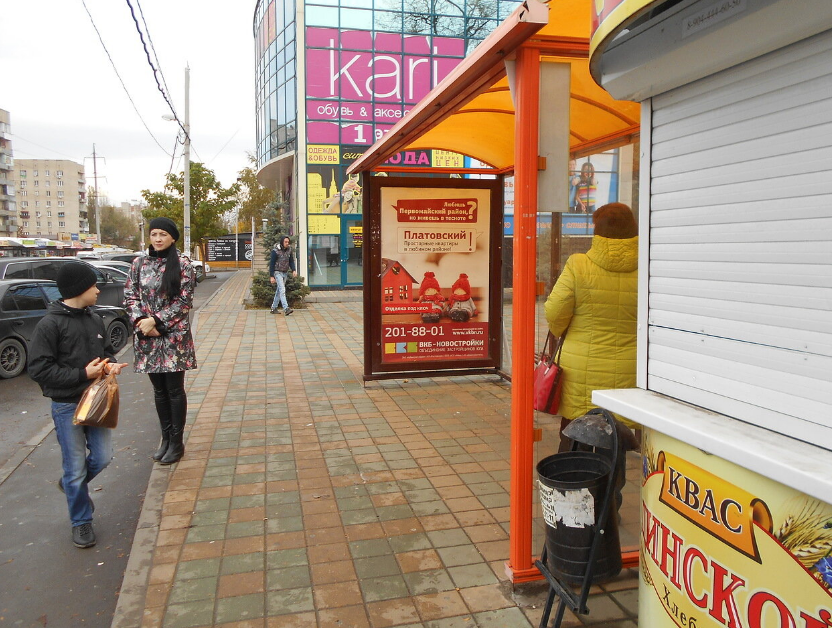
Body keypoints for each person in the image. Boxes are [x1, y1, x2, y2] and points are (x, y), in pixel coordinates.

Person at [28, 262, 128, 548]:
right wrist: (83, 374)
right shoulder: (50, 325)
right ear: (78, 289)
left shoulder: (94, 318)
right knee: (75, 468)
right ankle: (81, 522)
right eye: (93, 285)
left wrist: (110, 366)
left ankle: (72, 486)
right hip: (67, 406)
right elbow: (39, 370)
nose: (98, 290)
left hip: (96, 401)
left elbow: (105, 352)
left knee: (103, 457)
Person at [544, 203, 638, 450]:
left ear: (597, 231)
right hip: (631, 366)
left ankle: (574, 483)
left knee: (575, 436)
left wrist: (562, 329)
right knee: (618, 438)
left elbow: (555, 312)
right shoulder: (648, 266)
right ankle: (611, 485)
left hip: (579, 368)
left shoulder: (578, 265)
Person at [124, 217, 197, 465]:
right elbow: (130, 296)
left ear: (172, 238)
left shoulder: (184, 265)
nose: (157, 239)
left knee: (174, 390)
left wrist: (156, 320)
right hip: (147, 338)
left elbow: (184, 302)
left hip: (174, 338)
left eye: (163, 235)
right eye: (154, 234)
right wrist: (141, 322)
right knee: (158, 391)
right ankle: (165, 438)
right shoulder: (138, 264)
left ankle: (176, 442)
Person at [269, 235, 297, 316]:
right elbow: (272, 264)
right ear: (282, 242)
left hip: (285, 272)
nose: (287, 243)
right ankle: (286, 308)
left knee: (279, 291)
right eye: (285, 242)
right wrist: (271, 276)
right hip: (277, 272)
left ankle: (273, 308)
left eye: (288, 242)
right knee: (282, 290)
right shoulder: (275, 251)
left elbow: (291, 261)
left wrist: (293, 270)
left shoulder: (289, 250)